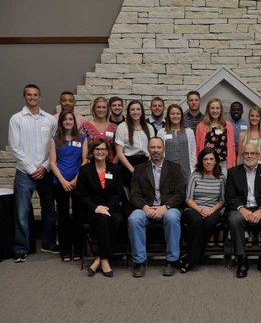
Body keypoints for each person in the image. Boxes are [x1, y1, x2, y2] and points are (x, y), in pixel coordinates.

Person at [9, 84, 58, 262]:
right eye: (29, 95)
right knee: (22, 212)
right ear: (24, 97)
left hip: (45, 171)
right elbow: (15, 147)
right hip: (24, 173)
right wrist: (31, 168)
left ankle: (48, 243)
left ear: (40, 96)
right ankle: (21, 248)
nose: (32, 98)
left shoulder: (50, 120)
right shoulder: (16, 119)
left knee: (49, 210)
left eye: (35, 94)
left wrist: (45, 167)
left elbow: (54, 146)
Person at [128, 137, 185, 278]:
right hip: (147, 208)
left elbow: (180, 194)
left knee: (172, 217)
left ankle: (172, 260)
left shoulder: (175, 168)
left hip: (168, 208)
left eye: (159, 147)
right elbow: (134, 195)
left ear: (163, 149)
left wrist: (165, 207)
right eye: (153, 147)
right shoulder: (139, 169)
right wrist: (145, 207)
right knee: (134, 219)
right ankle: (140, 262)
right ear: (148, 149)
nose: (156, 150)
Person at [226, 143, 261, 278]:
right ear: (242, 156)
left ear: (258, 155)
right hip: (241, 208)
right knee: (234, 219)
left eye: (252, 153)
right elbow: (230, 196)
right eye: (246, 153)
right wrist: (242, 209)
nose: (249, 156)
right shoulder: (233, 172)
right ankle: (241, 259)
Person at [77, 139, 123, 277]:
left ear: (108, 152)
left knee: (118, 220)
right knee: (102, 219)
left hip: (110, 208)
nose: (100, 152)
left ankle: (99, 259)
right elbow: (81, 195)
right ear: (92, 152)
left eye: (103, 149)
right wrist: (96, 207)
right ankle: (105, 261)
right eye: (97, 149)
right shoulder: (85, 170)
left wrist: (107, 207)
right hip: (90, 210)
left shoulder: (116, 169)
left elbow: (119, 193)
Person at [49, 111, 88, 262]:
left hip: (78, 181)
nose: (68, 122)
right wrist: (63, 181)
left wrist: (76, 179)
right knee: (63, 217)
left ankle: (78, 250)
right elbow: (52, 162)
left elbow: (85, 160)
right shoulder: (55, 139)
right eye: (65, 119)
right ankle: (65, 250)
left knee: (78, 216)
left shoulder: (82, 138)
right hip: (60, 182)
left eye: (70, 119)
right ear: (61, 122)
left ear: (74, 121)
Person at [181, 148, 226, 272]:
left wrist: (211, 210)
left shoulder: (221, 178)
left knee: (209, 222)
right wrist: (200, 210)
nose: (208, 162)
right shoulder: (194, 176)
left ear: (216, 161)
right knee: (196, 221)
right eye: (205, 159)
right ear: (201, 161)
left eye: (211, 159)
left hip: (213, 210)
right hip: (194, 208)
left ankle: (190, 258)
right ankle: (195, 258)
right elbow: (188, 199)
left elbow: (222, 200)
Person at [115, 100, 155, 188]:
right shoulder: (122, 127)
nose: (135, 112)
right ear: (128, 112)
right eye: (132, 109)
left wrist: (149, 166)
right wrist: (132, 169)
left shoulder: (149, 127)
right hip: (128, 163)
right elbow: (119, 153)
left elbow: (152, 148)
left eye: (138, 109)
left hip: (146, 163)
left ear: (142, 111)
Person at [195, 98, 236, 176]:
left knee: (223, 186)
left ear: (221, 110)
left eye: (217, 108)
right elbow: (198, 148)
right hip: (207, 164)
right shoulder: (201, 126)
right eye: (212, 108)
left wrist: (233, 164)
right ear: (208, 110)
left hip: (223, 163)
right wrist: (198, 164)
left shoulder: (228, 125)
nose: (215, 111)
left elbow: (232, 147)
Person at [157, 104, 196, 181]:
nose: (175, 116)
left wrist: (193, 169)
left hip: (186, 172)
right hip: (167, 172)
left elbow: (193, 152)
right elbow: (159, 152)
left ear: (181, 116)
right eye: (172, 114)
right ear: (168, 115)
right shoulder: (161, 132)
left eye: (178, 114)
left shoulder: (189, 132)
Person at [80, 97, 118, 162]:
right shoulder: (85, 126)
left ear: (107, 109)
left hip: (110, 165)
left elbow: (119, 151)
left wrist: (113, 165)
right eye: (98, 107)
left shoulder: (114, 127)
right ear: (94, 109)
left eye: (104, 107)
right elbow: (81, 150)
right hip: (90, 166)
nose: (101, 110)